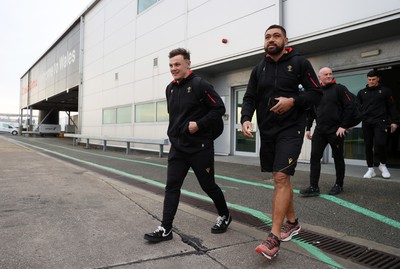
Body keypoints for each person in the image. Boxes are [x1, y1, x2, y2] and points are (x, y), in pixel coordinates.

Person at [241, 25, 322, 259]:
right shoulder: (259, 68)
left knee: (280, 177)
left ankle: (274, 238)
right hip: (268, 131)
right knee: (280, 179)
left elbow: (316, 93)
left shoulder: (299, 63)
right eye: (267, 36)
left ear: (286, 39)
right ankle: (293, 223)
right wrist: (246, 118)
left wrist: (293, 101)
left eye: (276, 36)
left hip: (291, 129)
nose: (271, 39)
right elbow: (249, 97)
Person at [144, 48, 231, 243]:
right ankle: (166, 228)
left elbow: (219, 109)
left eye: (177, 64)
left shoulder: (201, 85)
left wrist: (199, 124)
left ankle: (225, 215)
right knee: (172, 186)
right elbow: (175, 116)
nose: (173, 68)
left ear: (188, 64)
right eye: (171, 65)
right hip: (178, 148)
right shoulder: (170, 88)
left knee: (208, 186)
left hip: (200, 148)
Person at [300, 67, 354, 197]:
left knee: (338, 158)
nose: (329, 76)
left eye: (330, 74)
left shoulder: (339, 89)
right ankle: (314, 187)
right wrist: (308, 128)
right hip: (320, 130)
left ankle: (338, 184)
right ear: (319, 77)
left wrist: (344, 126)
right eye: (326, 74)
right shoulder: (316, 92)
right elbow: (311, 111)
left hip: (336, 131)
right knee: (314, 158)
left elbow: (350, 106)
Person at [357, 70, 399, 179]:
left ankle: (382, 165)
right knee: (368, 145)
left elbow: (392, 107)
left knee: (381, 143)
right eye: (369, 80)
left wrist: (394, 121)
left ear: (378, 79)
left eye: (373, 79)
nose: (371, 82)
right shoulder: (362, 92)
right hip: (367, 122)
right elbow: (356, 108)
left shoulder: (385, 91)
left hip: (380, 122)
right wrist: (351, 122)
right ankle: (370, 169)